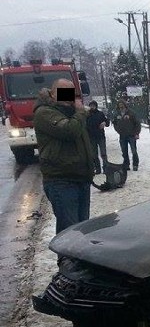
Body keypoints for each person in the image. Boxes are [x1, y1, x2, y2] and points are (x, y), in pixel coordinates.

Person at [32, 78, 95, 233]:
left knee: (82, 230)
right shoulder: (44, 112)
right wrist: (80, 113)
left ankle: (78, 258)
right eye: (64, 92)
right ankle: (65, 258)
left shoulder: (72, 113)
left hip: (81, 178)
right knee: (69, 231)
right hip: (61, 180)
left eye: (71, 92)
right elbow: (69, 131)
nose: (69, 97)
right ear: (53, 94)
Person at [113, 99, 141, 171]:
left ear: (125, 105)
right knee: (124, 151)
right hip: (122, 135)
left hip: (131, 135)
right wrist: (118, 130)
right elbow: (114, 123)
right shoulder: (117, 114)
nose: (121, 107)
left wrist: (137, 133)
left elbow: (137, 123)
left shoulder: (131, 113)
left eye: (122, 105)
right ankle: (126, 164)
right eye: (120, 106)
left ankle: (135, 164)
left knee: (134, 151)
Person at [85, 100, 110, 173]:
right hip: (91, 137)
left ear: (96, 106)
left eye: (93, 105)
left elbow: (107, 123)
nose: (92, 107)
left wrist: (104, 122)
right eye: (91, 105)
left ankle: (105, 168)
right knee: (94, 154)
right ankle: (98, 168)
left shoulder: (100, 114)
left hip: (100, 136)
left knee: (103, 153)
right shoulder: (87, 115)